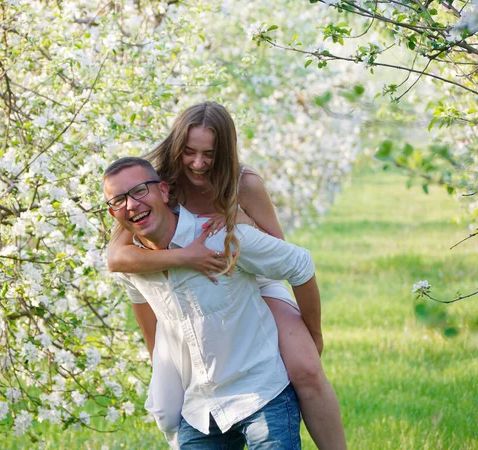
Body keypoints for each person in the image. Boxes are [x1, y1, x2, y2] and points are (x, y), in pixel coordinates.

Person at [107, 102, 346, 449]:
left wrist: (239, 221)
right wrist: (186, 256)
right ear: (177, 149)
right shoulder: (158, 184)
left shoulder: (243, 183)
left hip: (253, 272)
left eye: (209, 154)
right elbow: (117, 257)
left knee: (306, 367)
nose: (199, 163)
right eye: (189, 152)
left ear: (225, 151)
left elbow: (279, 251)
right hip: (191, 273)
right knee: (170, 400)